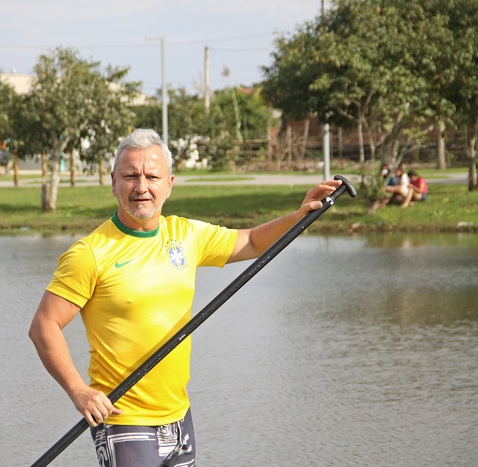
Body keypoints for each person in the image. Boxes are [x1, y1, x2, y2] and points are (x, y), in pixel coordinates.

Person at [29, 128, 341, 467]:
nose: (141, 187)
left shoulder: (186, 235)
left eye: (152, 176)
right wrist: (79, 391)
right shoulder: (90, 253)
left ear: (169, 183)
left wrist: (299, 216)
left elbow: (251, 241)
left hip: (179, 416)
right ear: (114, 182)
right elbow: (44, 326)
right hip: (124, 418)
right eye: (131, 176)